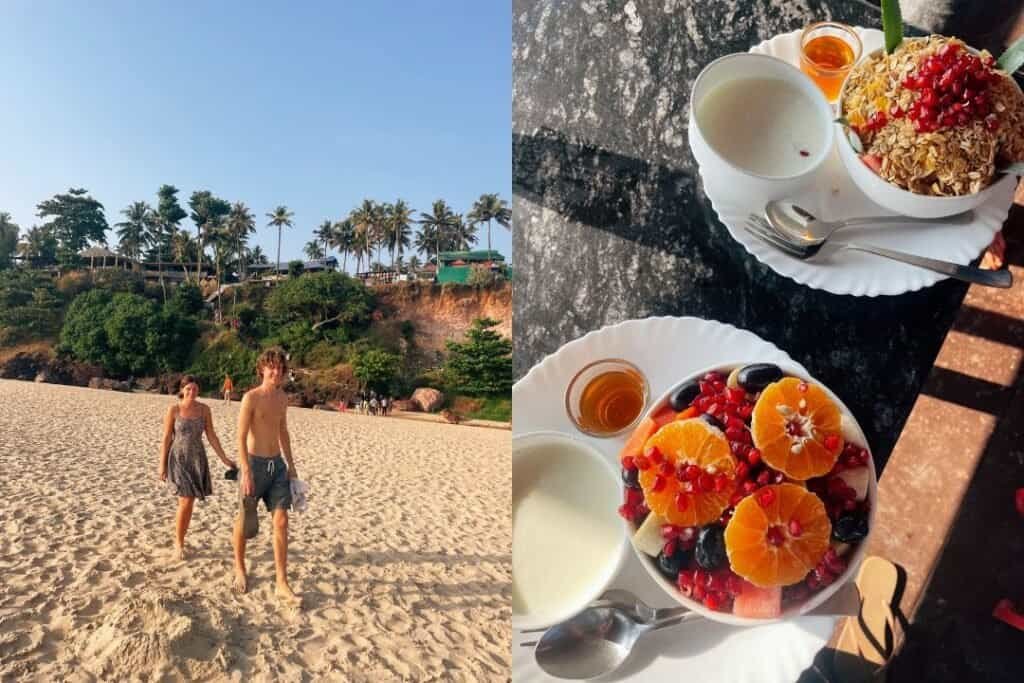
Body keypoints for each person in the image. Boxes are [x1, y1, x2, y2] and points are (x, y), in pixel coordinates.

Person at [233, 348, 301, 603]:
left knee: (282, 521)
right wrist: (246, 471)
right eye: (272, 368)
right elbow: (240, 436)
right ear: (262, 369)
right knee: (244, 519)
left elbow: (283, 432)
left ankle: (281, 582)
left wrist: (291, 466)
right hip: (254, 464)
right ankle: (239, 568)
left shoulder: (283, 398)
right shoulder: (251, 398)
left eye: (281, 369)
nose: (277, 372)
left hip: (277, 467)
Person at [158, 375, 235, 560]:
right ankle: (179, 543)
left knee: (189, 502)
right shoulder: (174, 410)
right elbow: (167, 437)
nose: (192, 392)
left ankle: (179, 536)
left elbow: (211, 436)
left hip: (197, 458)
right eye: (188, 389)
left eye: (195, 389)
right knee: (185, 501)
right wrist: (161, 465)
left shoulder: (204, 410)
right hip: (178, 458)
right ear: (182, 390)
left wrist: (224, 459)